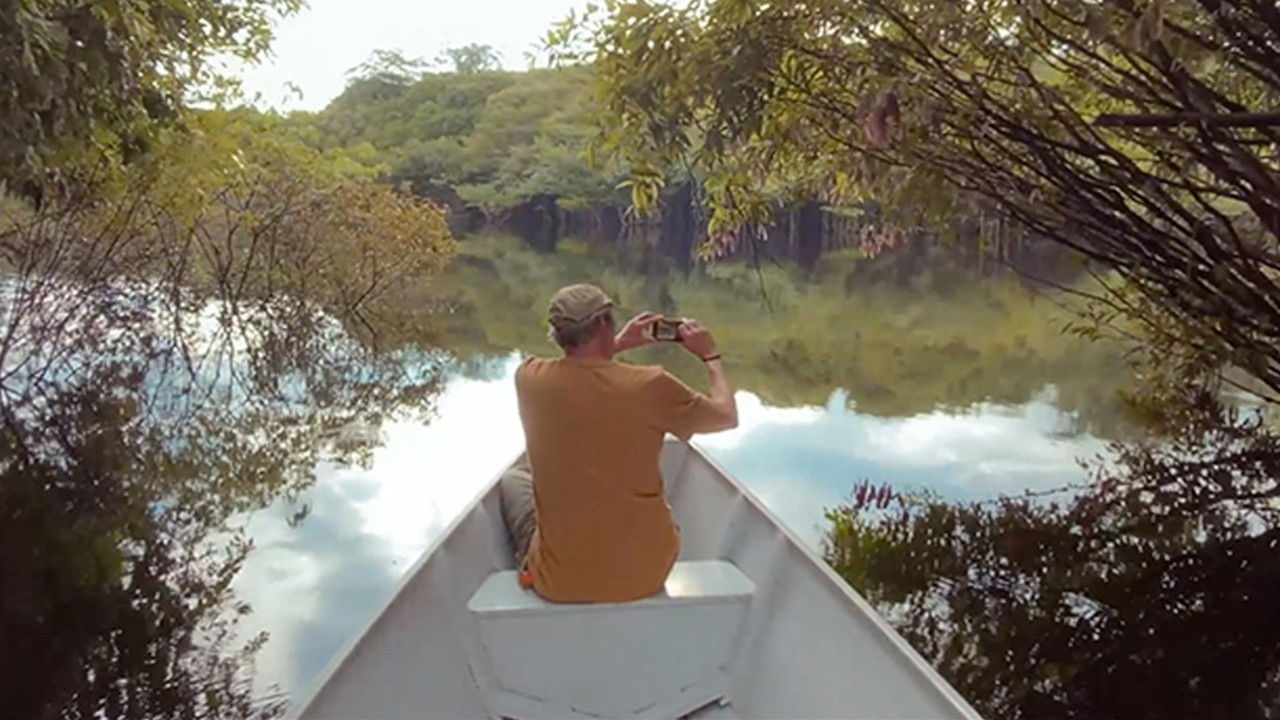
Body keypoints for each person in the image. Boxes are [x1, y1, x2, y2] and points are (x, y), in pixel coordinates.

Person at [501, 283, 738, 603]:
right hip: (646, 574)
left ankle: (528, 563)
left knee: (514, 478)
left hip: (559, 583)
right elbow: (726, 416)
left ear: (559, 333)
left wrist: (617, 343)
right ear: (603, 323)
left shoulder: (529, 377)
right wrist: (711, 356)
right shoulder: (650, 385)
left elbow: (584, 373)